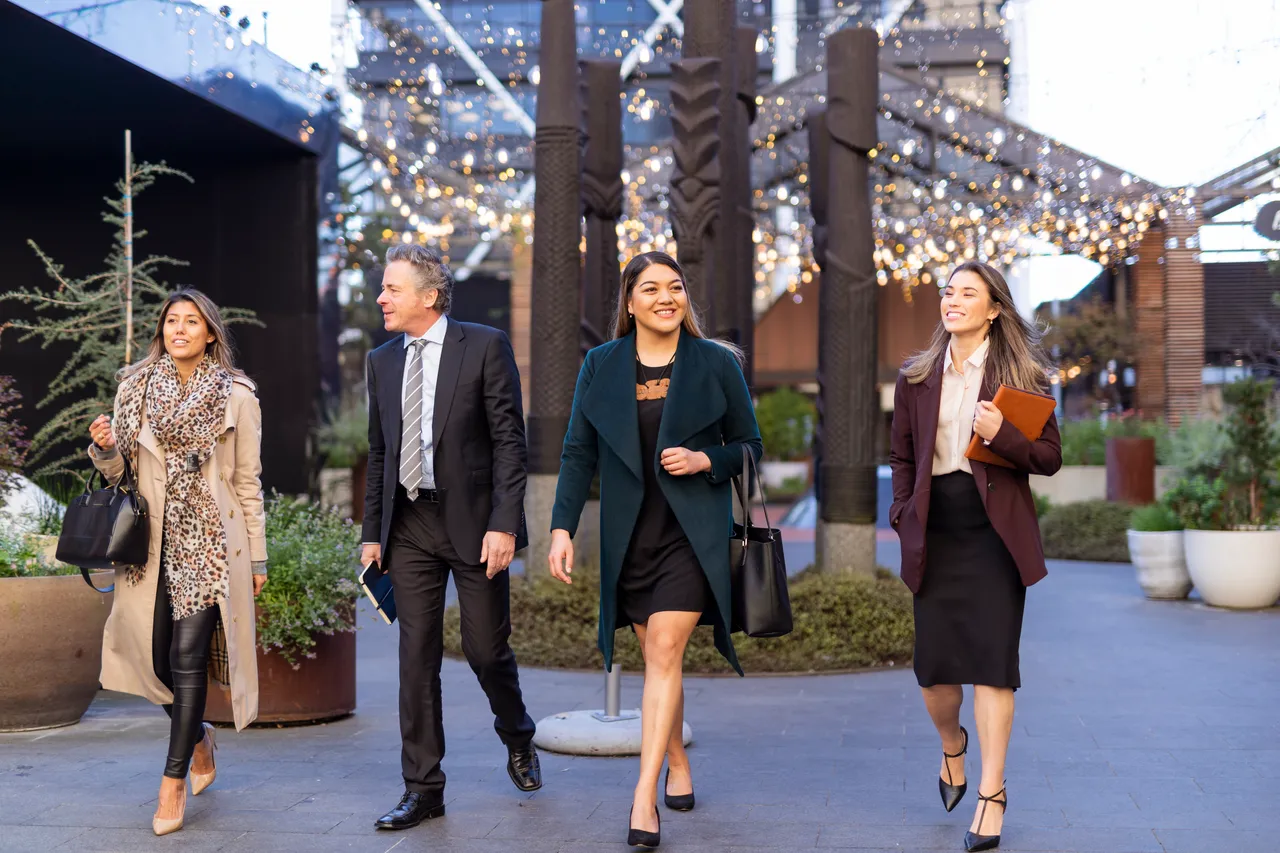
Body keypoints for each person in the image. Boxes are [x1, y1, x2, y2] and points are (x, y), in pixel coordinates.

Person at [547, 250, 763, 849]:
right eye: (651, 289)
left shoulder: (716, 364)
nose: (666, 297)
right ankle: (678, 763)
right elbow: (576, 453)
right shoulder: (600, 364)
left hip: (693, 535)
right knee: (657, 662)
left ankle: (643, 799)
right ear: (630, 301)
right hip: (630, 539)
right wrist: (561, 528)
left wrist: (705, 460)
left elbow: (750, 443)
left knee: (667, 648)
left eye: (675, 287)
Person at [361, 244, 540, 831]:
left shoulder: (484, 346)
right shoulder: (381, 360)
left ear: (429, 296)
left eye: (391, 288)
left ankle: (517, 734)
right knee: (416, 658)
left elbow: (511, 442)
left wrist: (504, 524)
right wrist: (372, 534)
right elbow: (381, 453)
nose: (380, 298)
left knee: (487, 651)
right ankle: (423, 788)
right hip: (409, 525)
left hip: (475, 524)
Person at [888, 260, 1062, 852]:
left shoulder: (1022, 375)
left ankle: (992, 793)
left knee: (992, 665)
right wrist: (901, 513)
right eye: (948, 292)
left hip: (994, 535)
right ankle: (952, 746)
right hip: (935, 529)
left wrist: (1002, 434)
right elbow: (903, 457)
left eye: (968, 293)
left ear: (993, 309)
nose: (952, 300)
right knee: (934, 673)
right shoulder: (915, 377)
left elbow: (1047, 458)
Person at [87, 288, 268, 837]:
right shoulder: (135, 387)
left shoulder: (237, 395)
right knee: (157, 662)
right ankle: (198, 739)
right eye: (172, 321)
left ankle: (170, 782)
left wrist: (257, 557)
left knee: (187, 658)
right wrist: (105, 448)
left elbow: (247, 481)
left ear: (211, 333)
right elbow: (122, 478)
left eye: (192, 322)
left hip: (211, 542)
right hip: (151, 543)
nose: (180, 330)